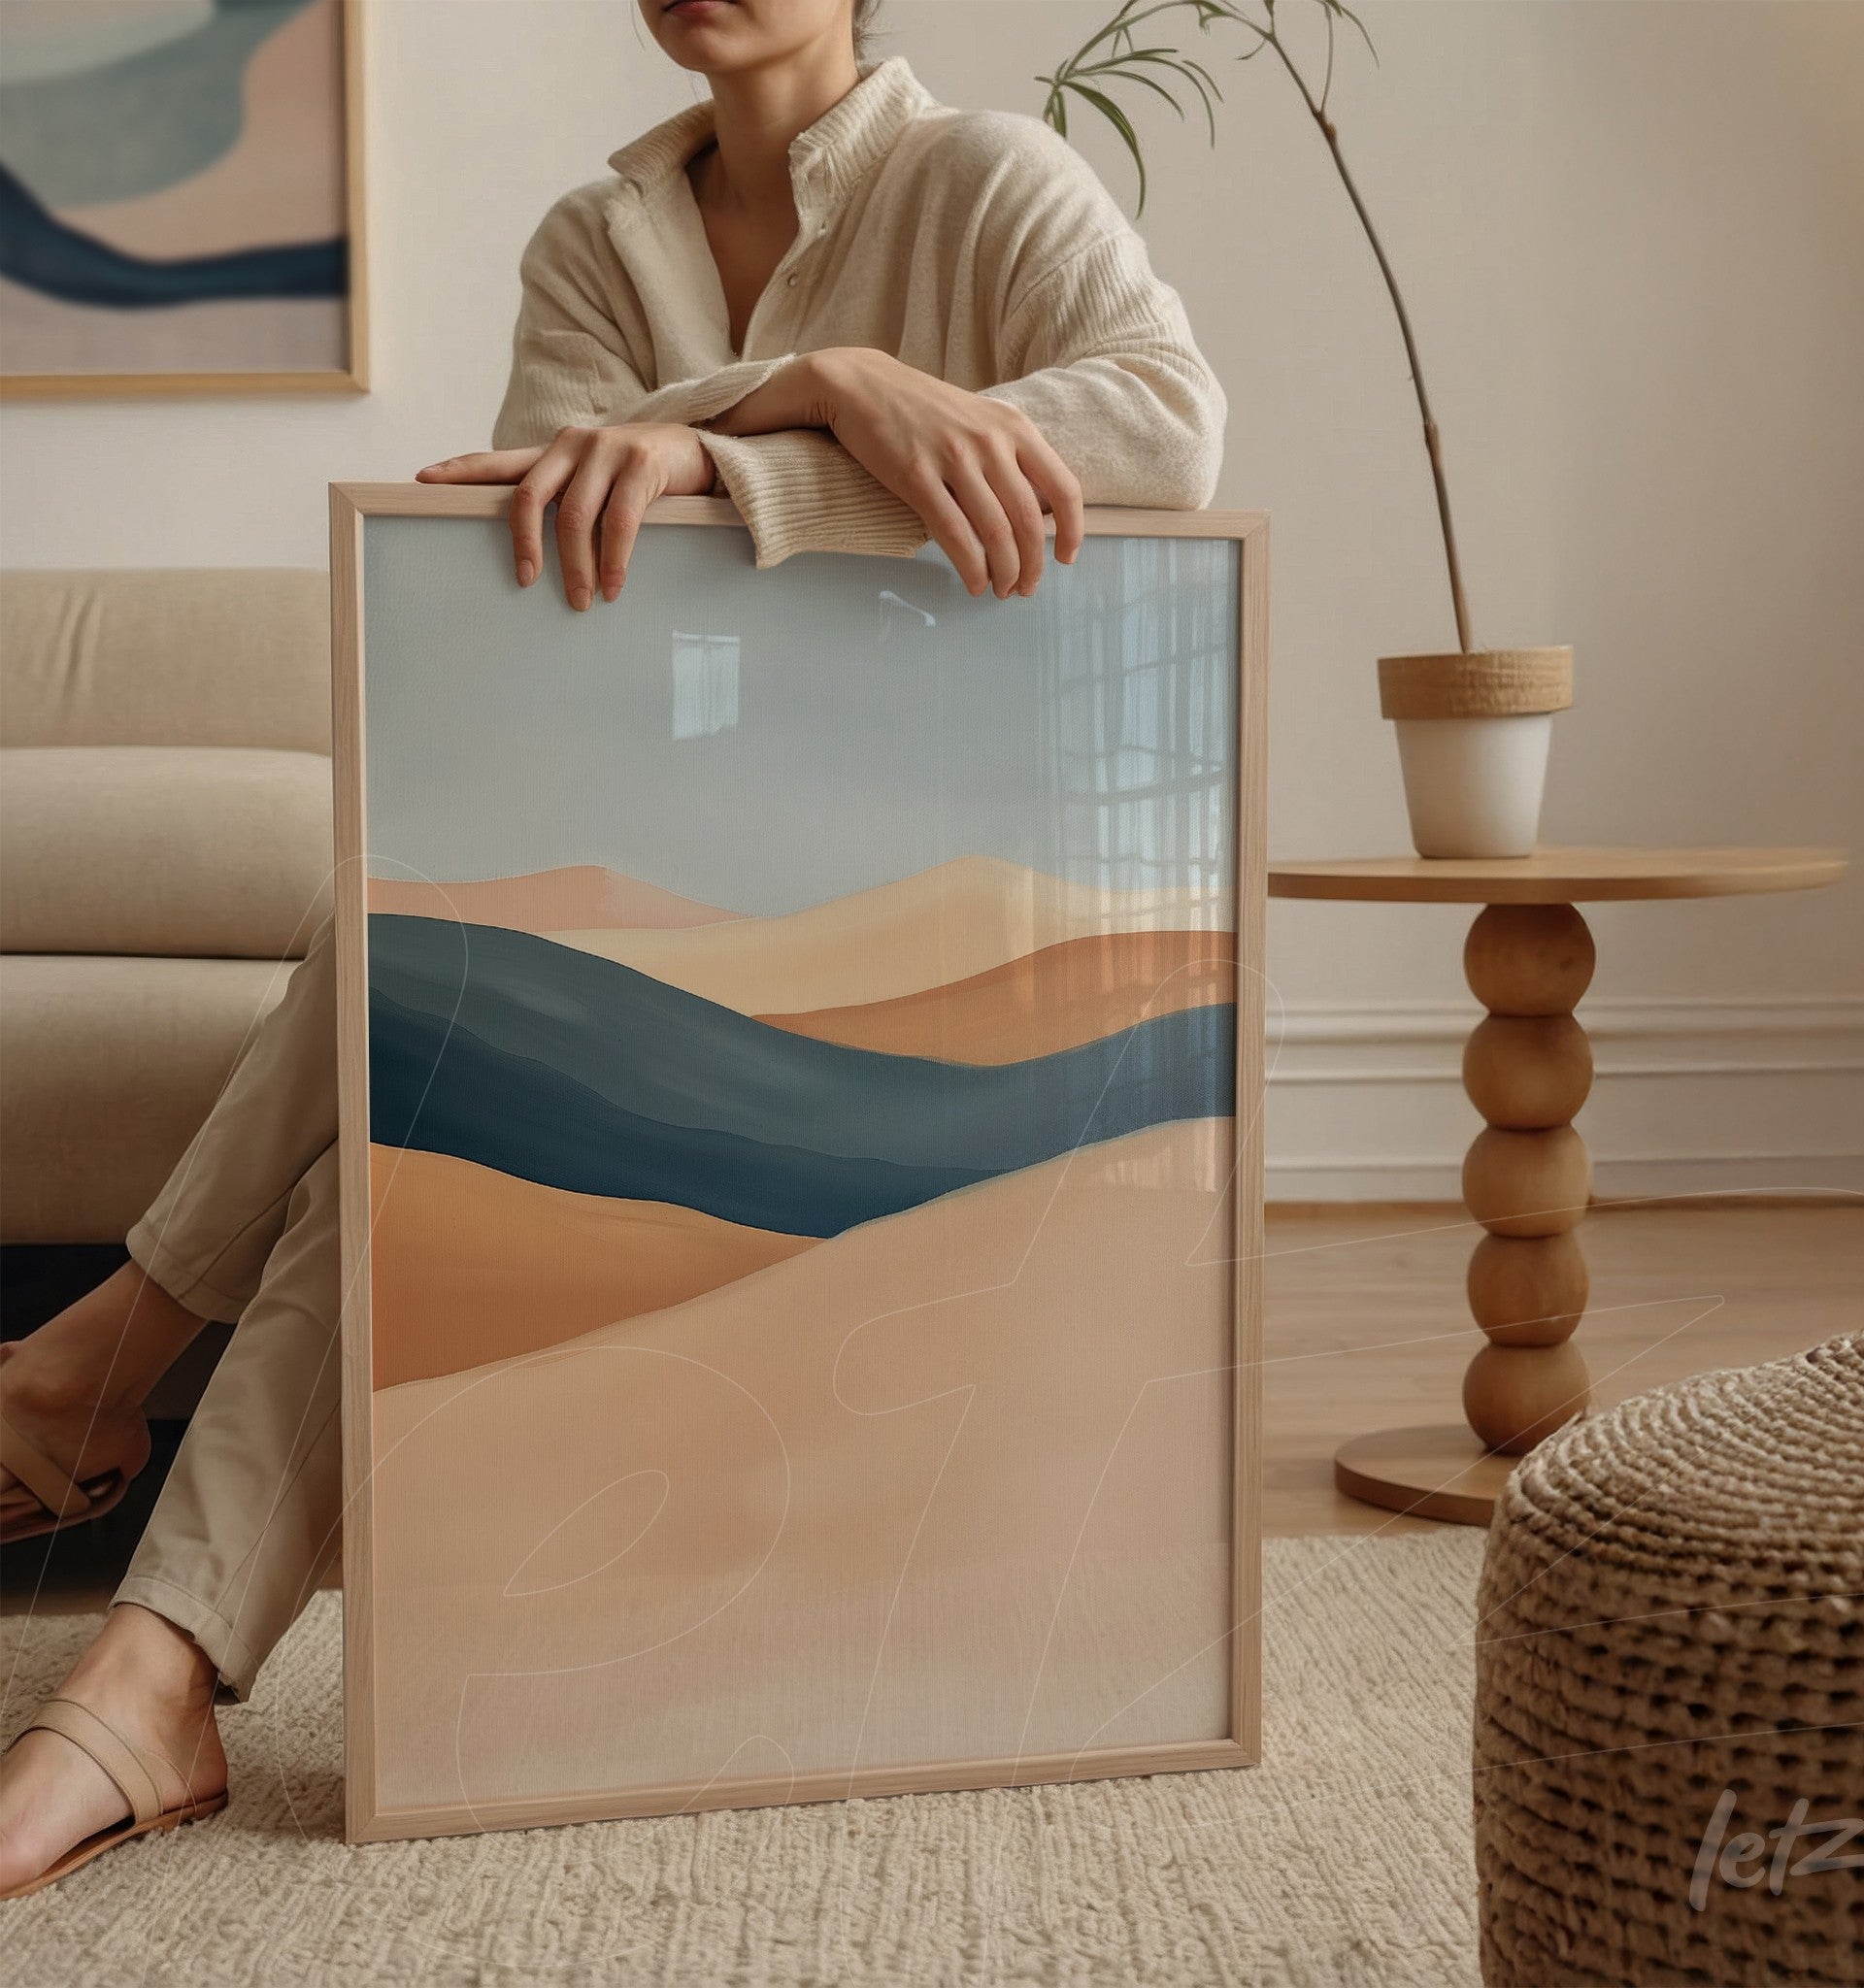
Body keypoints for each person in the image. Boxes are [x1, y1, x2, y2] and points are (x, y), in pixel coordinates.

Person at [0, 0, 1224, 1896]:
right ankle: (155, 1668)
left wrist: (762, 432)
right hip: (665, 823)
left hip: (945, 839)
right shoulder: (596, 236)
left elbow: (1163, 425)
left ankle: (113, 1372)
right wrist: (826, 384)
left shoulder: (986, 176)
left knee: (422, 946)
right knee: (422, 1035)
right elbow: (526, 527)